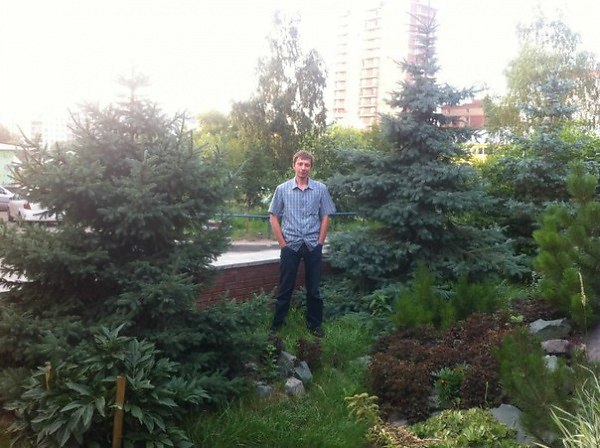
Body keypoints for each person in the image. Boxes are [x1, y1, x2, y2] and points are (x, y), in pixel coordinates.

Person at [269, 150, 336, 338]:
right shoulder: (282, 189)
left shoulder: (320, 189)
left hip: (313, 245)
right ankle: (277, 325)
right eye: (300, 164)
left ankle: (314, 325)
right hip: (290, 245)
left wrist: (320, 242)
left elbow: (326, 216)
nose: (303, 168)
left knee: (313, 289)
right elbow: (273, 217)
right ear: (294, 165)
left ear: (311, 167)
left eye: (307, 164)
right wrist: (283, 244)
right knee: (285, 287)